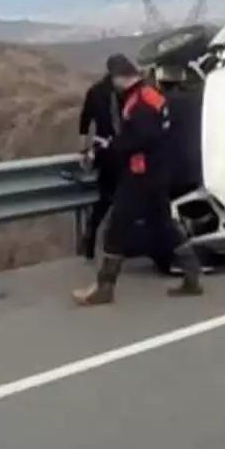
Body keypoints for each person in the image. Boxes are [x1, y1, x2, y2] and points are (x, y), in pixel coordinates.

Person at [73, 55, 204, 307]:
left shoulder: (140, 102)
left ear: (118, 77)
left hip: (142, 174)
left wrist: (111, 148)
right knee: (164, 225)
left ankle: (104, 287)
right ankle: (192, 276)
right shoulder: (152, 95)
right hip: (158, 172)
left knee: (116, 227)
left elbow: (141, 139)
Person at [76, 63, 123, 259]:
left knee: (104, 198)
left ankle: (90, 237)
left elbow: (84, 122)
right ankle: (115, 246)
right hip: (122, 152)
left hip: (103, 152)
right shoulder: (123, 93)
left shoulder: (94, 91)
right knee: (122, 197)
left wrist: (83, 150)